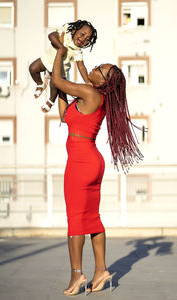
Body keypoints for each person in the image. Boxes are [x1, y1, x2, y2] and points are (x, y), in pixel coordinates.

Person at [51, 36, 143, 296]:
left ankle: (76, 275)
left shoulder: (90, 93)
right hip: (91, 161)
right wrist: (58, 86)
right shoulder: (93, 97)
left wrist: (59, 50)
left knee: (76, 220)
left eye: (98, 68)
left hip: (81, 162)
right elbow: (64, 113)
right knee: (91, 218)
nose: (92, 68)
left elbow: (58, 82)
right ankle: (101, 270)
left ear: (102, 80)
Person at [29, 20, 97, 113]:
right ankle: (40, 84)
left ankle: (51, 101)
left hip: (59, 69)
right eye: (82, 34)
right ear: (74, 31)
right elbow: (51, 36)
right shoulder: (65, 32)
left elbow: (81, 66)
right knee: (33, 68)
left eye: (87, 39)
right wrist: (60, 47)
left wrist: (87, 81)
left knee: (54, 84)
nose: (83, 39)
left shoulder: (77, 51)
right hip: (48, 59)